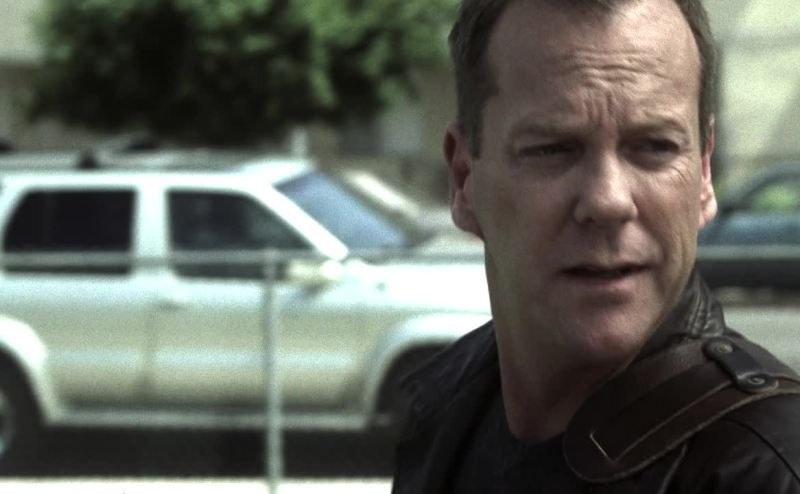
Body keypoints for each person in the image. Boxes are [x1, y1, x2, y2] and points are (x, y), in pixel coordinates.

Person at [391, 0, 800, 492]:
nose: (608, 201)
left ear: (704, 174)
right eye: (552, 148)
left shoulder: (768, 471)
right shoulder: (445, 410)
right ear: (463, 179)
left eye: (654, 146)